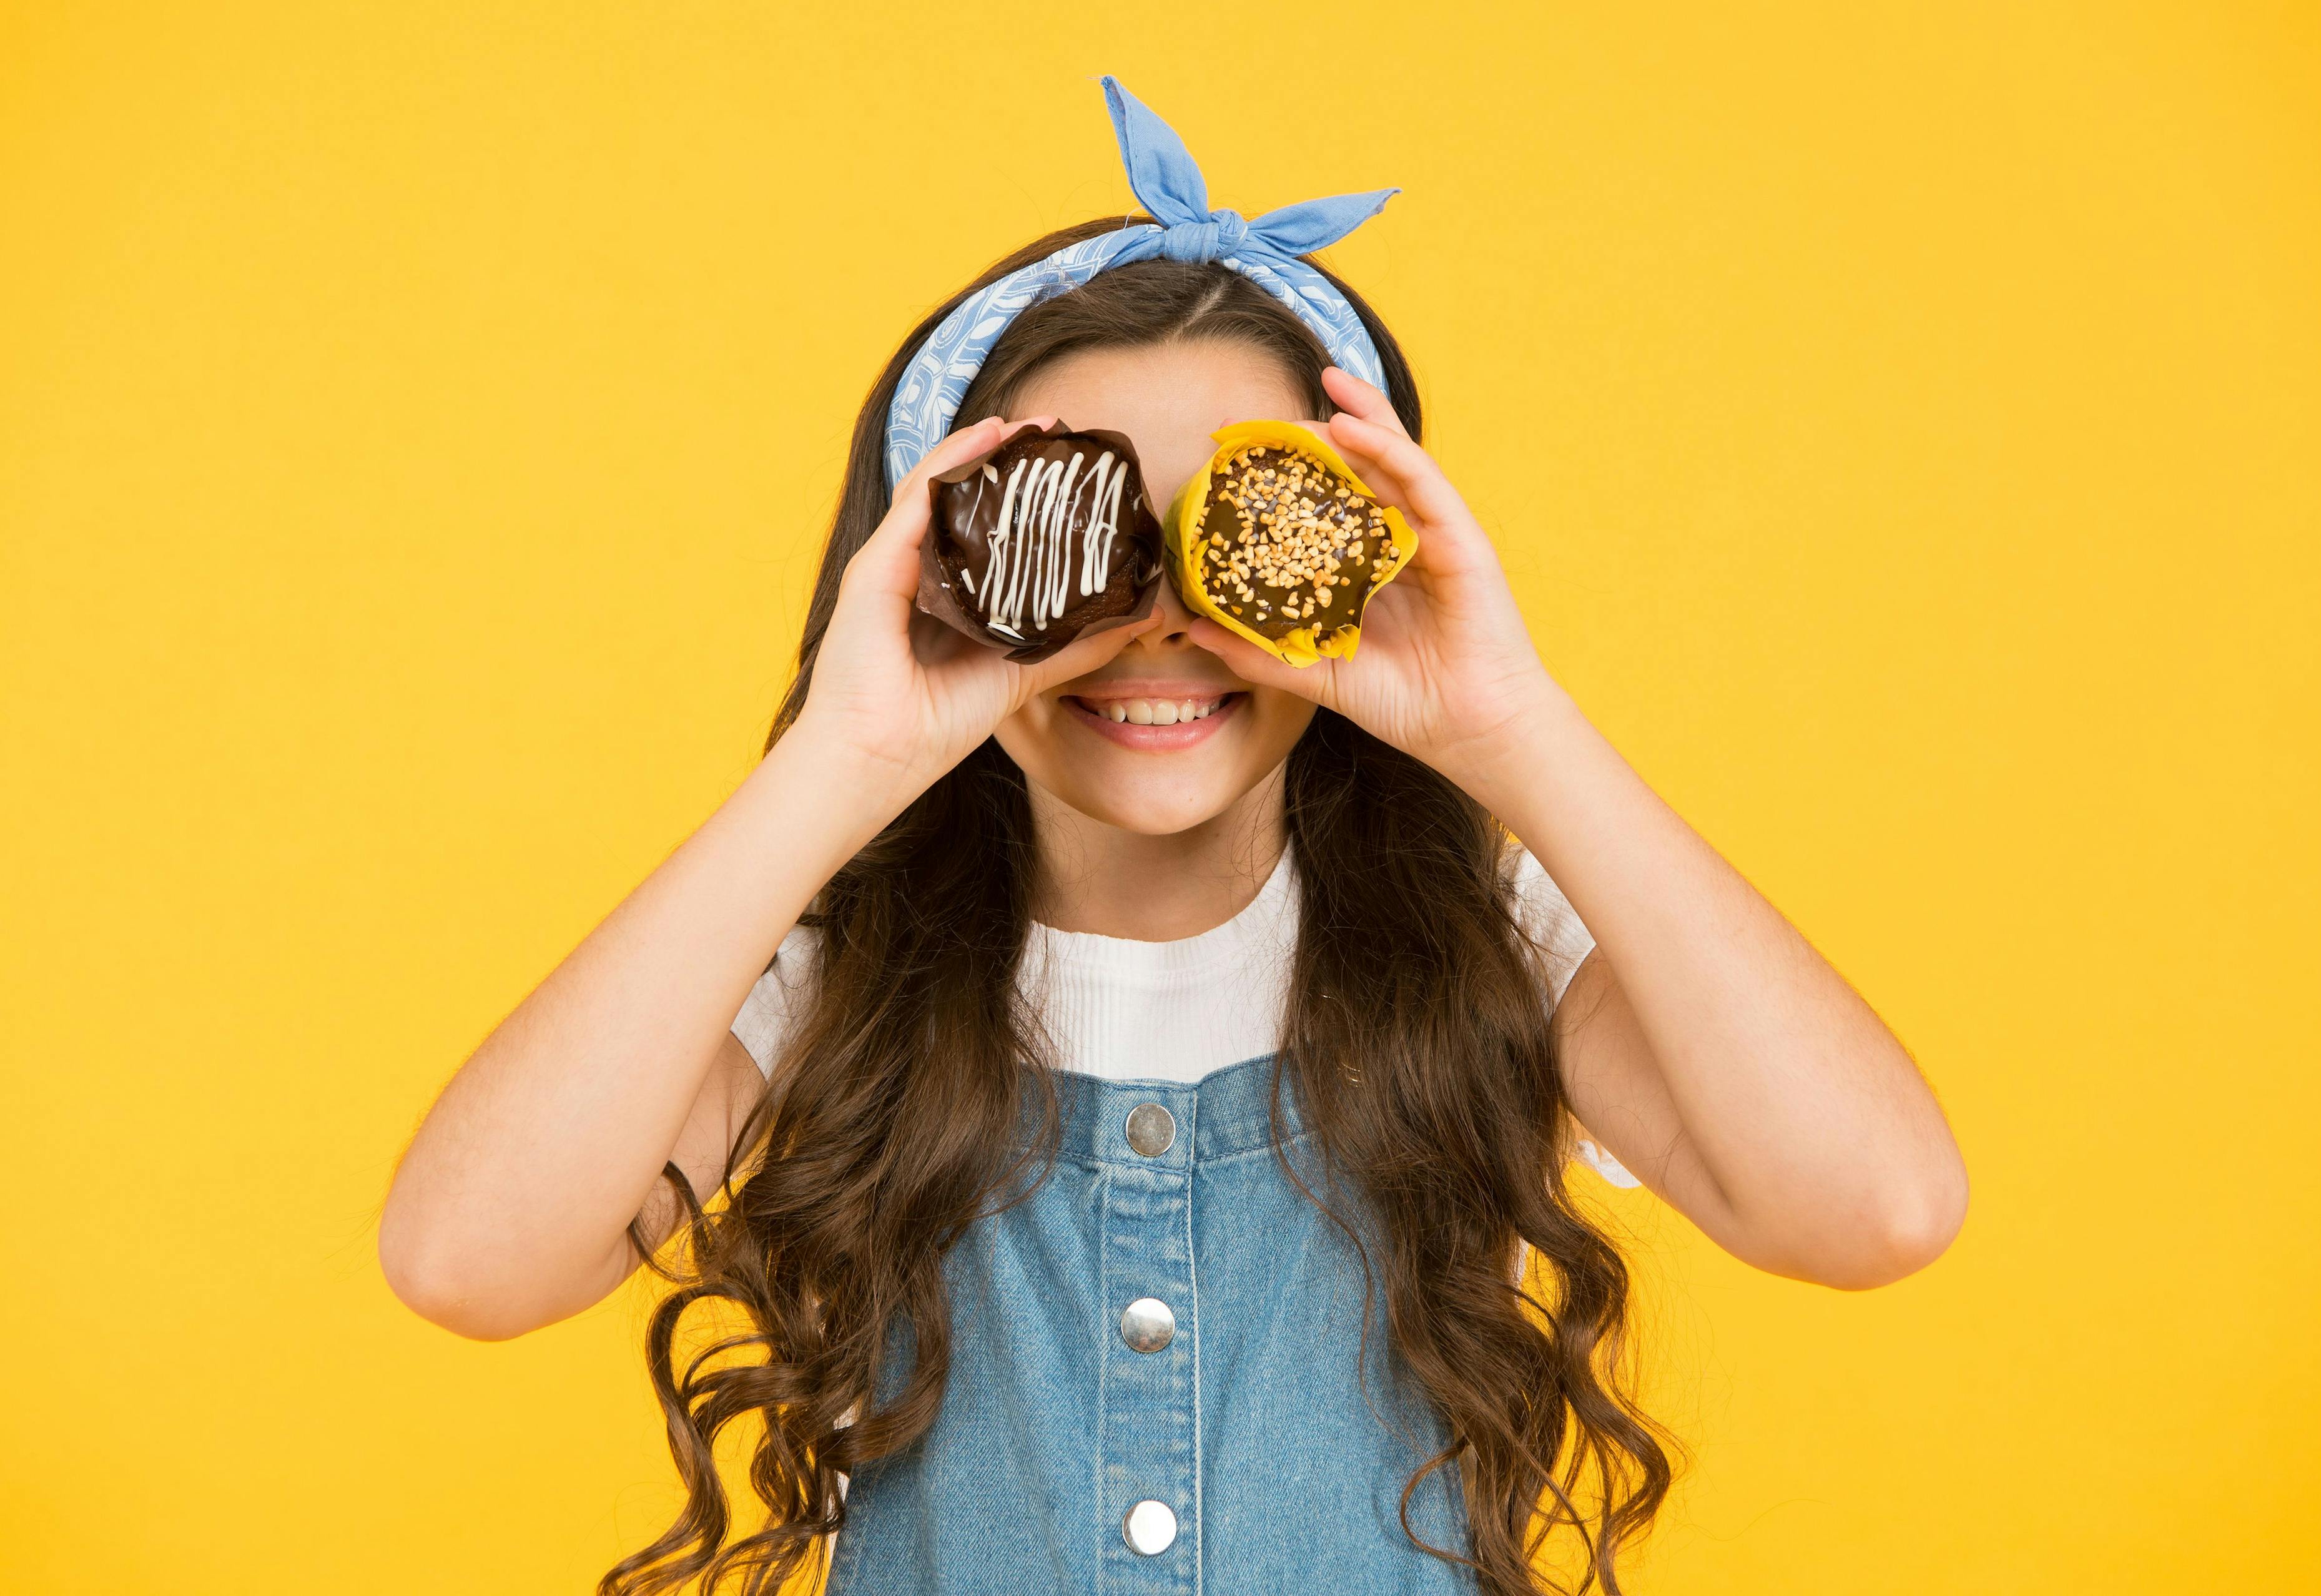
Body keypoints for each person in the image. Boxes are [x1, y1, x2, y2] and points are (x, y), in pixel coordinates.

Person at [378, 76, 1968, 1596]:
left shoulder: (1492, 949)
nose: (1154, 628)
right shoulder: (837, 977)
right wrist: (846, 756)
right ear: (931, 564)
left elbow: (1876, 1208)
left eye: (1223, 532)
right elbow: (469, 1260)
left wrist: (1510, 727)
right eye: (1093, 531)